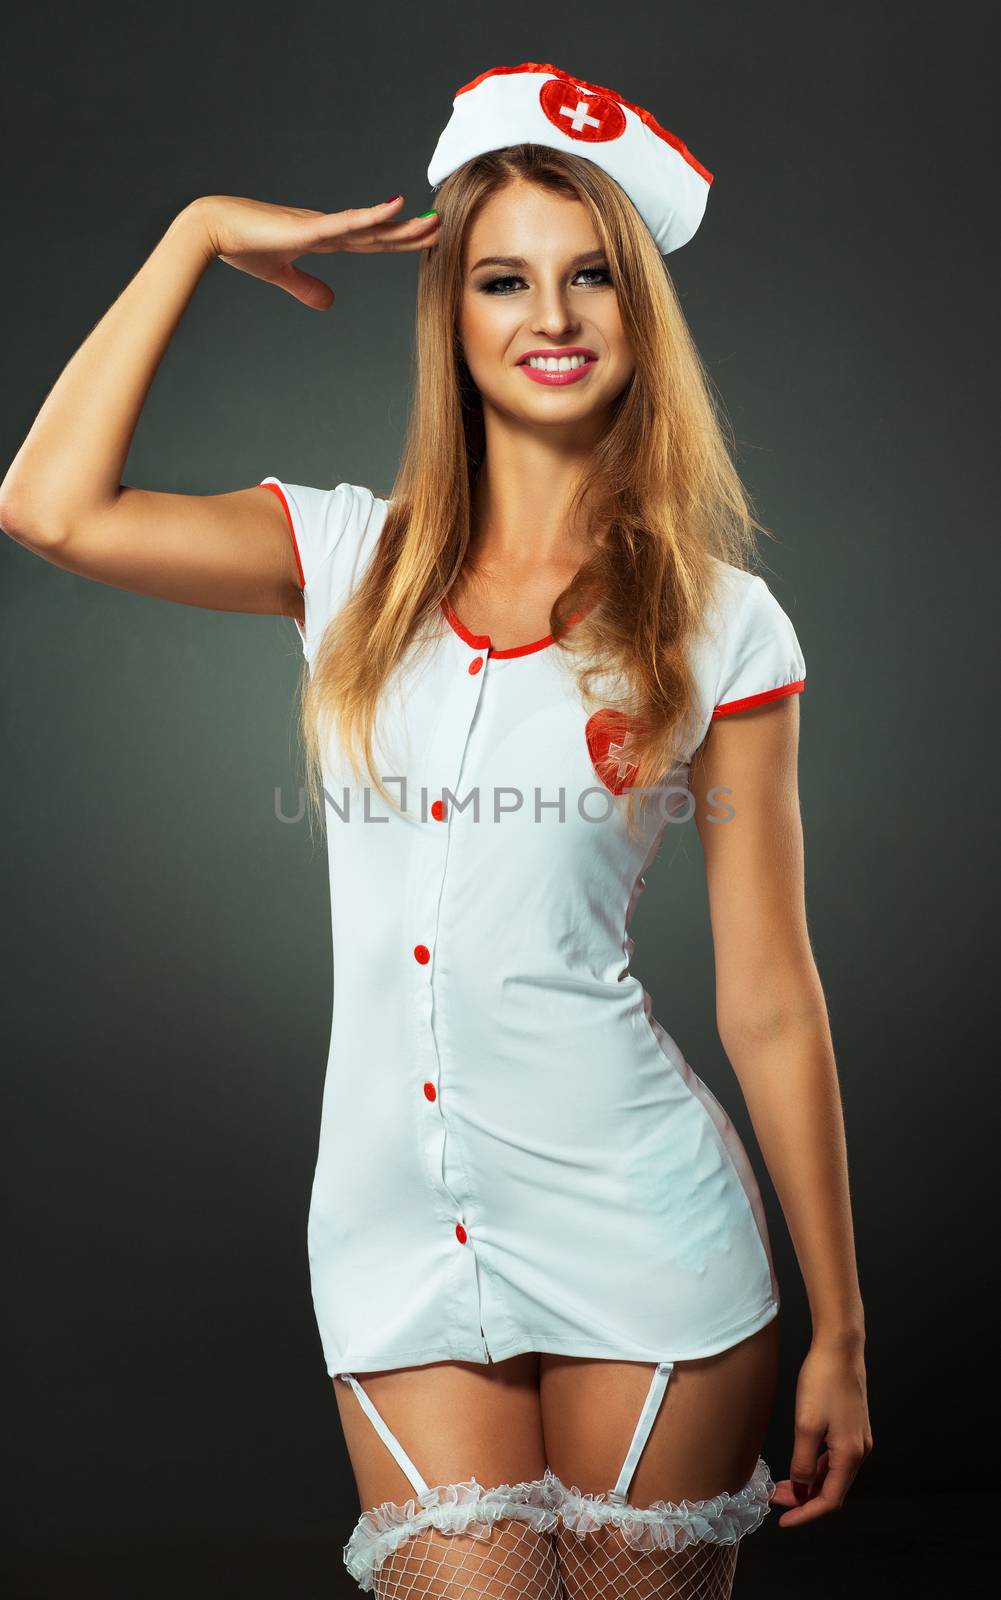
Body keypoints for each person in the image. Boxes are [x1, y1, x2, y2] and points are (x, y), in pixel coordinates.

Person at [2, 59, 872, 1600]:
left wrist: (842, 1334)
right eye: (503, 279)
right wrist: (196, 232)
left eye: (592, 274)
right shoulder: (342, 556)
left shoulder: (725, 624)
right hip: (390, 1236)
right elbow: (50, 507)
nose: (552, 315)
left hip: (642, 1229)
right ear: (452, 317)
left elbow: (769, 998)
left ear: (638, 316)